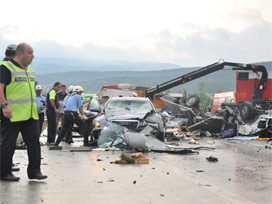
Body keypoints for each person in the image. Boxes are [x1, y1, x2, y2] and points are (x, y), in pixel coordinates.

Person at [0, 43, 47, 181]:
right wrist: (4, 105)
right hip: (12, 114)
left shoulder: (30, 70)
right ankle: (4, 172)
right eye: (30, 53)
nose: (33, 56)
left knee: (34, 142)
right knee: (8, 144)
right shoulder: (6, 67)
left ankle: (34, 171)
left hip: (30, 114)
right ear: (19, 54)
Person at [0, 44, 20, 172]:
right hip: (5, 109)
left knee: (6, 139)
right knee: (6, 140)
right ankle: (5, 167)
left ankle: (7, 165)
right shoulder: (7, 67)